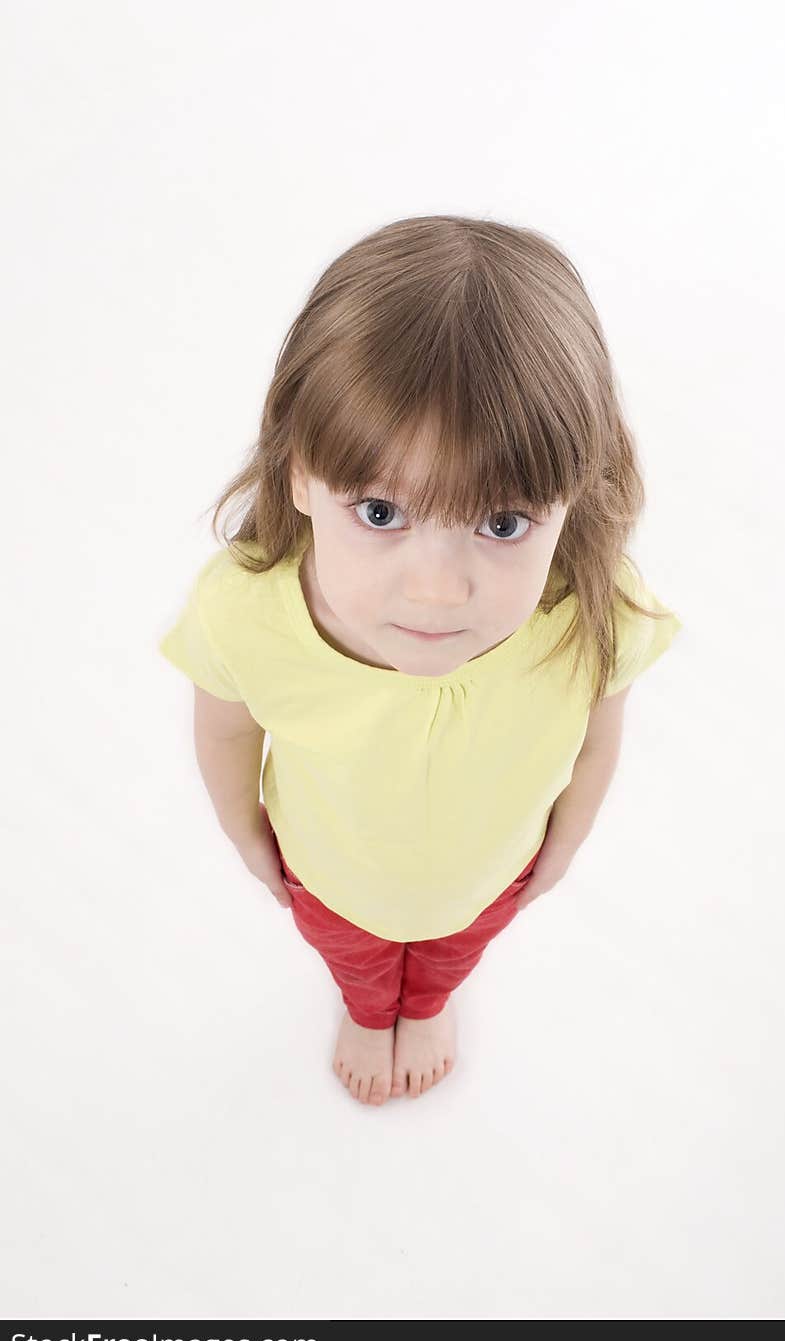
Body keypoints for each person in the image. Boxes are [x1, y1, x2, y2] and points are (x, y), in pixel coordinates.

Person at [158, 214, 683, 1109]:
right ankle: (370, 1011)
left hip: (492, 875)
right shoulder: (246, 611)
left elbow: (598, 733)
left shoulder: (587, 610)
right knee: (356, 964)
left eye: (503, 524)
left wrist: (563, 847)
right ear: (298, 476)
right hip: (329, 877)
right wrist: (244, 830)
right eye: (380, 513)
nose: (437, 591)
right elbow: (225, 726)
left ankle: (431, 1002)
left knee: (451, 957)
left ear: (572, 501)